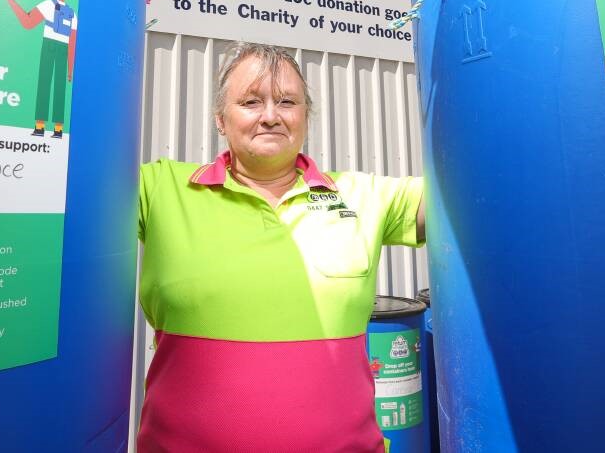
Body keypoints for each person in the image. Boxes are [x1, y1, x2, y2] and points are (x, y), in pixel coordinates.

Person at [137, 42, 425, 452]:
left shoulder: (364, 195)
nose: (270, 116)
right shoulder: (160, 188)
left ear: (305, 116)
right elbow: (67, 186)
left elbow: (470, 200)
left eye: (287, 101)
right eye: (251, 101)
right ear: (221, 118)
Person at [4, 0, 77, 137]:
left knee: (44, 84)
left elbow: (28, 23)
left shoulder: (49, 5)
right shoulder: (72, 13)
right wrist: (70, 69)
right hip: (63, 49)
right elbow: (73, 42)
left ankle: (40, 126)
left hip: (49, 45)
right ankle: (58, 129)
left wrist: (12, 2)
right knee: (60, 87)